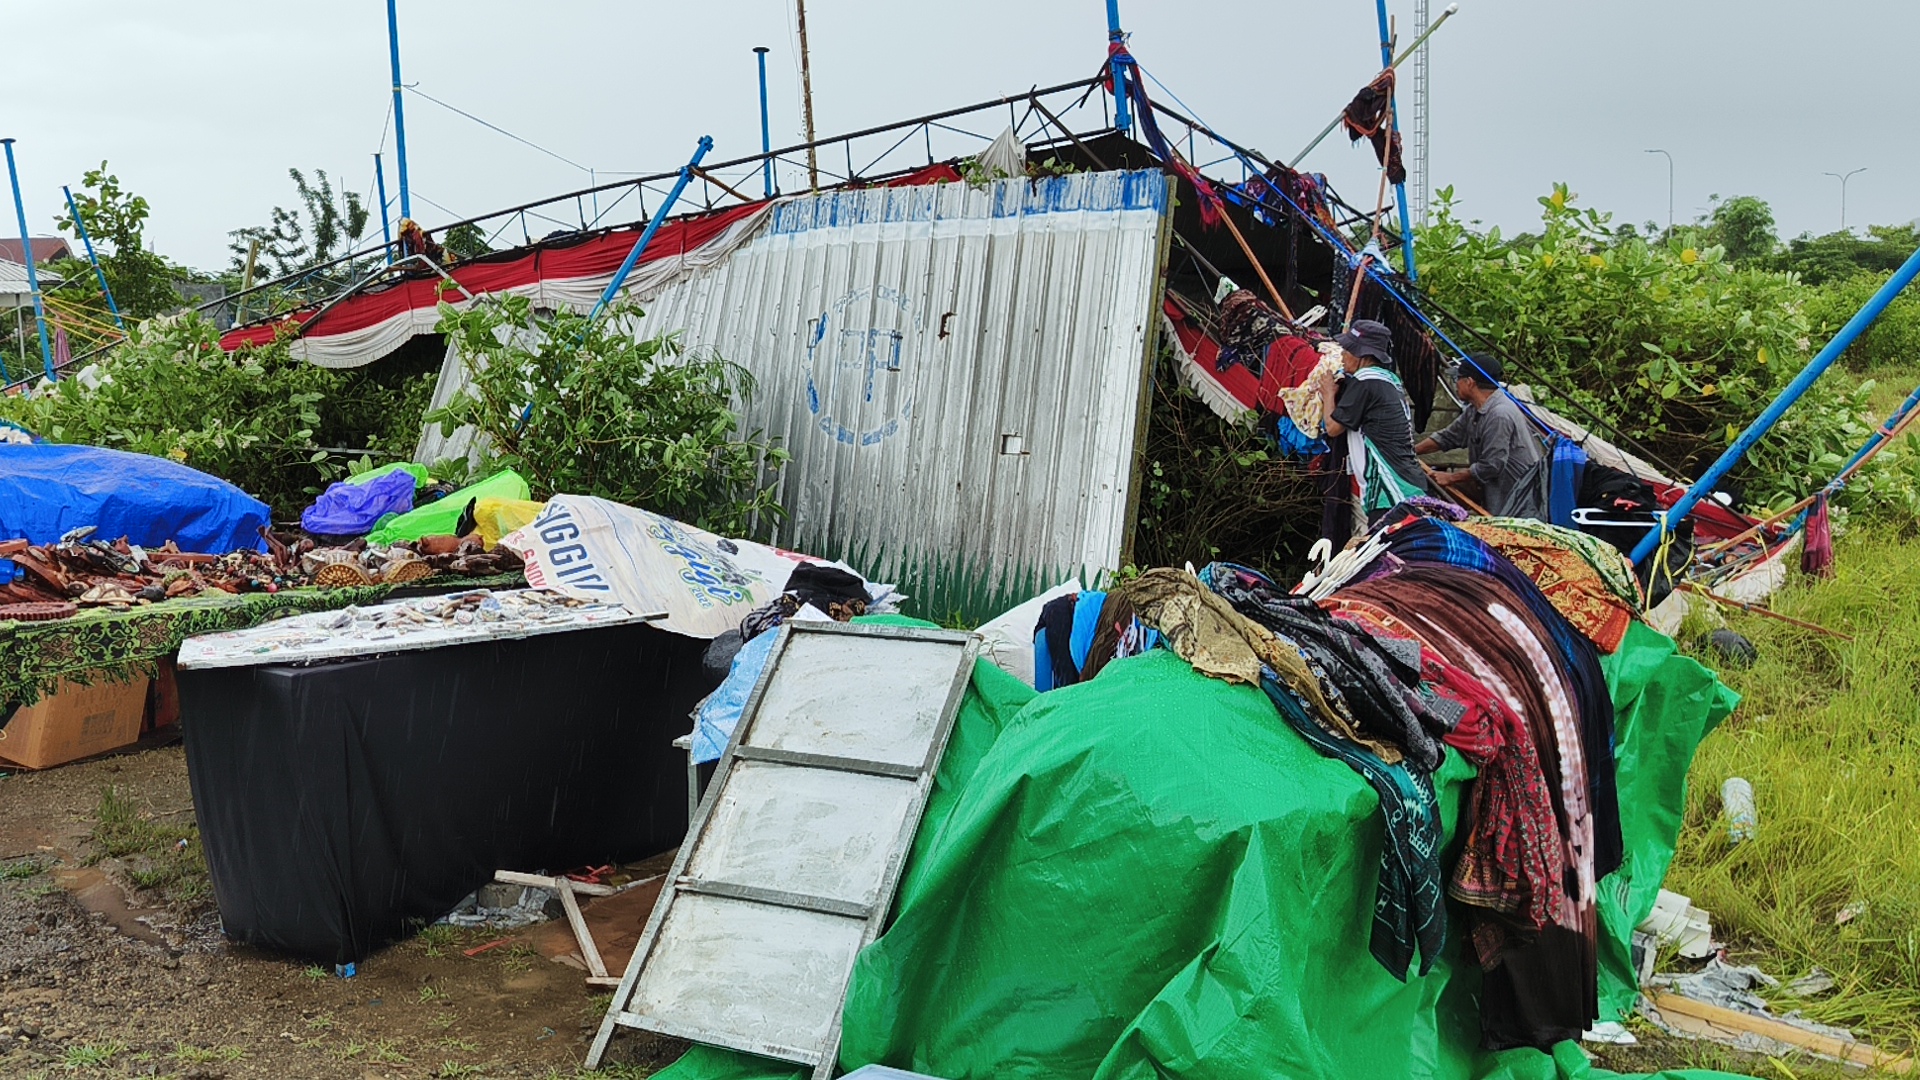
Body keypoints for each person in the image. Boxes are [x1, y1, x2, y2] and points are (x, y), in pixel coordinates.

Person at [1414, 353, 1546, 519]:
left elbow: (1492, 465)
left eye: (1458, 379)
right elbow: (1448, 437)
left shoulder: (1500, 414)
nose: (1456, 385)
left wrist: (1451, 477)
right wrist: (1411, 451)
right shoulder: (1474, 409)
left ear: (1470, 382)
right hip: (1492, 488)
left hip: (1517, 500)